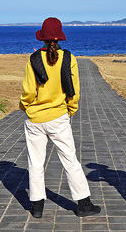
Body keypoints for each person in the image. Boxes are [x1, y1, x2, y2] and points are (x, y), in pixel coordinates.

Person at [19, 17, 101, 219]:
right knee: (70, 160)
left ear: (43, 38)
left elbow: (29, 91)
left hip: (36, 118)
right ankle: (83, 204)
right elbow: (73, 89)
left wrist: (25, 107)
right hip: (59, 117)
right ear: (60, 37)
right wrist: (71, 109)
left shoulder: (34, 59)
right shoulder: (69, 58)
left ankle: (37, 206)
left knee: (35, 163)